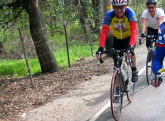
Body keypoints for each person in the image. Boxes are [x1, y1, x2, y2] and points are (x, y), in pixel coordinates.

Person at [96, 0, 138, 82]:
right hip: (117, 38)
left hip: (129, 37)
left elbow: (134, 31)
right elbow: (104, 32)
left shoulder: (130, 13)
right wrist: (100, 48)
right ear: (113, 7)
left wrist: (131, 46)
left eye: (121, 7)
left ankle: (134, 69)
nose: (119, 10)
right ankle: (118, 88)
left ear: (125, 6)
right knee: (116, 66)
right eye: (116, 8)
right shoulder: (109, 15)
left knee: (131, 54)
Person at [151, 22, 165, 87]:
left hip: (162, 38)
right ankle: (157, 76)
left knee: (157, 59)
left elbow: (158, 60)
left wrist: (157, 73)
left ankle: (157, 76)